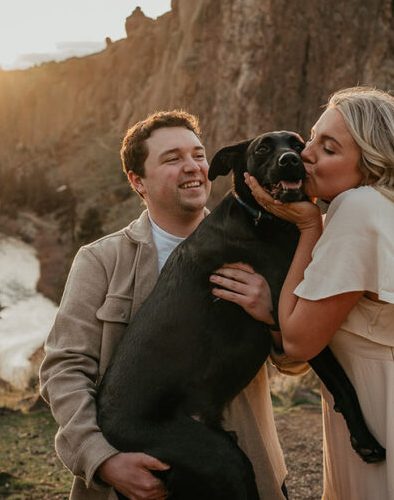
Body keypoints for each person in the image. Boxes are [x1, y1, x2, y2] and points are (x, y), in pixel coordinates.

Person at [213, 87, 394, 499]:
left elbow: (297, 342)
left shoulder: (358, 208)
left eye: (328, 149)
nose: (307, 154)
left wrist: (309, 226)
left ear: (371, 167)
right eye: (312, 138)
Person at [40, 110, 305, 500]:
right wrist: (103, 460)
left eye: (198, 154)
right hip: (136, 476)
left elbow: (296, 361)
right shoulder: (101, 260)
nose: (192, 167)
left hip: (243, 466)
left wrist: (273, 315)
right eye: (172, 158)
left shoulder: (264, 249)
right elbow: (63, 369)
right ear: (137, 181)